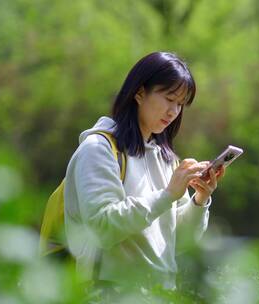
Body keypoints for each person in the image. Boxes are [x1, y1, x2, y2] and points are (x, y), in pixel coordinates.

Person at [63, 52, 224, 294]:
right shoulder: (98, 149)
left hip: (160, 292)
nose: (173, 111)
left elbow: (178, 241)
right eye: (169, 98)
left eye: (180, 104)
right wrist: (168, 194)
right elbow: (102, 227)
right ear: (139, 93)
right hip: (109, 291)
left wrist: (199, 200)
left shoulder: (165, 158)